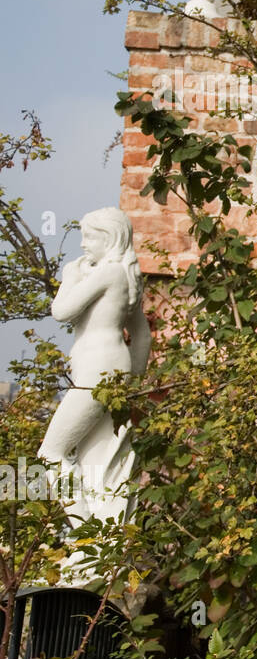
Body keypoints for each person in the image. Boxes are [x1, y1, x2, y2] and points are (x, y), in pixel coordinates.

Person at [37, 207, 150, 523]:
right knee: (96, 458)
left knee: (51, 453)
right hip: (111, 371)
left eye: (89, 237)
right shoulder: (125, 275)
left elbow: (61, 311)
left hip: (97, 373)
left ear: (110, 238)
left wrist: (70, 278)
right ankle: (103, 529)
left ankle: (84, 531)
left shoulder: (110, 272)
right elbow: (142, 336)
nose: (84, 245)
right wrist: (134, 381)